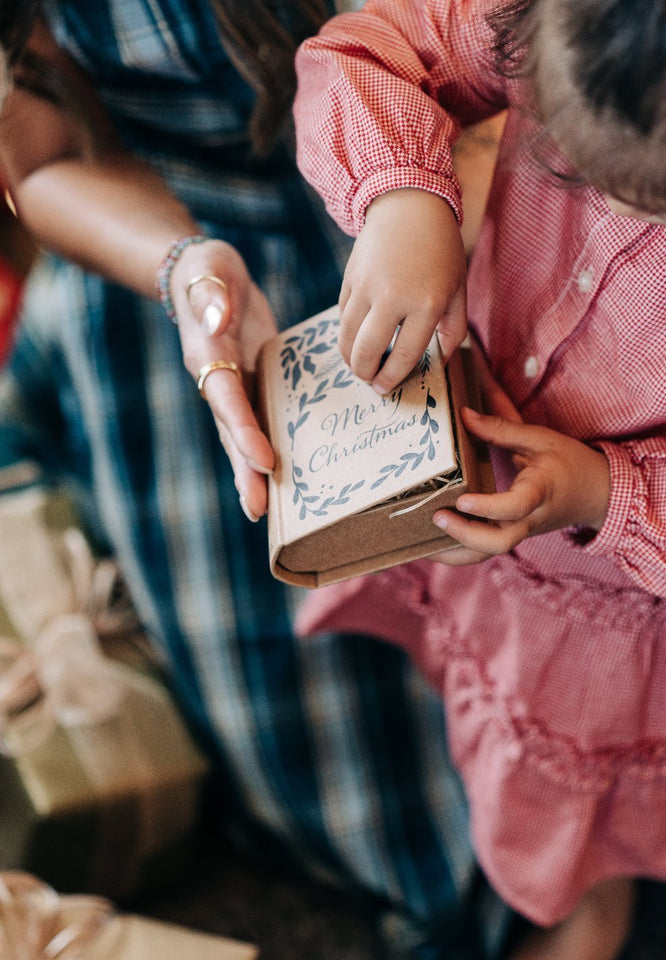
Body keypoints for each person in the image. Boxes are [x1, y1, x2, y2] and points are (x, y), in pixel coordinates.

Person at [0, 3, 489, 957]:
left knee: (528, 549)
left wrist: (427, 193)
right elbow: (41, 162)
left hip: (449, 173)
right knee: (314, 730)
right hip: (183, 239)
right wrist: (187, 273)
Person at [292, 0, 666, 958]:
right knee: (539, 769)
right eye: (569, 160)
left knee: (628, 773)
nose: (605, 211)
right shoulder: (568, 20)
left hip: (661, 603)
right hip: (519, 568)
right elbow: (368, 47)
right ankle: (581, 893)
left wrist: (605, 494)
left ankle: (605, 894)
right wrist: (405, 200)